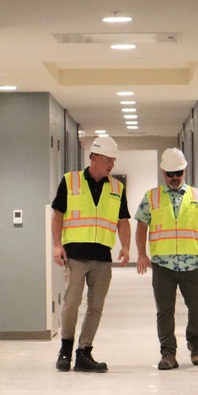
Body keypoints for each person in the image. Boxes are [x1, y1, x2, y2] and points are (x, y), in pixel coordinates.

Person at [135, 147, 198, 370]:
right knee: (164, 311)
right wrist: (141, 254)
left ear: (184, 170)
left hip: (191, 264)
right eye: (170, 174)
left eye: (178, 173)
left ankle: (195, 345)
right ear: (163, 173)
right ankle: (168, 354)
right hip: (162, 265)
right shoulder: (151, 197)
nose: (175, 178)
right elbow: (141, 225)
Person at [51, 135, 131, 373]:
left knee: (96, 306)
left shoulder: (117, 187)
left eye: (114, 160)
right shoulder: (70, 181)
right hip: (75, 254)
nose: (111, 165)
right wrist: (57, 245)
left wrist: (125, 246)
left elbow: (123, 220)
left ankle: (84, 352)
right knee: (71, 302)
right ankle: (65, 349)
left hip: (102, 257)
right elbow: (58, 214)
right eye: (108, 159)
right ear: (94, 157)